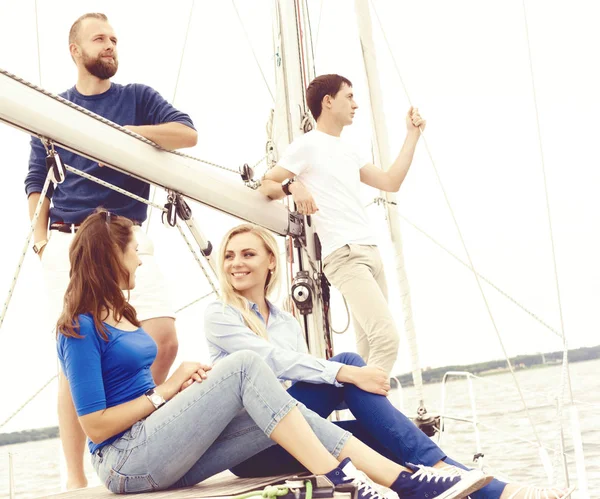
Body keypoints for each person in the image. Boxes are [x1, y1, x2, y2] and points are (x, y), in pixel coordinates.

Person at [56, 210, 490, 499]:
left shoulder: (124, 314)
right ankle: (353, 480)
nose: (139, 262)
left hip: (162, 448)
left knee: (288, 403)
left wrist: (180, 394)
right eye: (133, 252)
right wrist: (167, 392)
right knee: (245, 365)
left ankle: (406, 481)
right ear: (111, 255)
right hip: (124, 462)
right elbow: (94, 424)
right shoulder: (77, 326)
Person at [204, 223, 575, 499]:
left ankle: (495, 490)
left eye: (248, 254)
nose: (236, 263)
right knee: (349, 364)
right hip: (250, 446)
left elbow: (295, 383)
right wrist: (349, 372)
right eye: (230, 255)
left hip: (294, 434)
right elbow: (276, 362)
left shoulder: (284, 320)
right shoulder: (220, 315)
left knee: (384, 433)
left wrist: (348, 379)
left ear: (271, 260)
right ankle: (455, 474)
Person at [24, 13, 198, 489]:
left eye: (115, 39)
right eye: (99, 38)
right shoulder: (53, 110)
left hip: (128, 237)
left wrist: (128, 138)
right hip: (70, 238)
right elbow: (35, 182)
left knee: (165, 337)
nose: (110, 45)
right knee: (78, 353)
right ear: (75, 50)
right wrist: (40, 240)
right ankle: (77, 480)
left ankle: (136, 428)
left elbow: (187, 133)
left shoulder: (137, 98)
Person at [258, 74, 422, 376]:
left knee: (370, 351)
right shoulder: (306, 146)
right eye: (349, 97)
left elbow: (390, 181)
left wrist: (412, 135)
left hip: (371, 253)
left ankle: (363, 410)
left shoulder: (349, 150)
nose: (356, 104)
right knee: (387, 339)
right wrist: (292, 187)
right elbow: (265, 184)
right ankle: (375, 414)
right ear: (328, 101)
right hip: (344, 255)